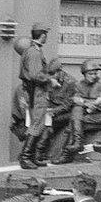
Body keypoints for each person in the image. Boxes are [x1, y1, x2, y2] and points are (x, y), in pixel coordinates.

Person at [55, 60, 101, 164]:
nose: (93, 76)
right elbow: (75, 99)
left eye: (95, 73)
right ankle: (76, 144)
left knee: (73, 124)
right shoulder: (79, 84)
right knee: (77, 110)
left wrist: (85, 102)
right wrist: (87, 103)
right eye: (90, 74)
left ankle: (68, 153)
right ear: (84, 74)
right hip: (87, 114)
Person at [18, 23, 60, 169]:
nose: (46, 37)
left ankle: (32, 157)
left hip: (36, 91)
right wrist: (50, 80)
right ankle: (25, 157)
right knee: (37, 124)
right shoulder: (34, 53)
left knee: (40, 124)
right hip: (37, 92)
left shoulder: (33, 51)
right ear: (42, 35)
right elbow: (36, 75)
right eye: (46, 34)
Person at [40, 58, 77, 165]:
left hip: (66, 113)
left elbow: (68, 104)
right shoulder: (49, 80)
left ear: (59, 72)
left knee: (49, 124)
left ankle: (45, 153)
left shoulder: (70, 83)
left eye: (52, 73)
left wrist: (53, 111)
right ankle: (39, 153)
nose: (50, 76)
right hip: (50, 111)